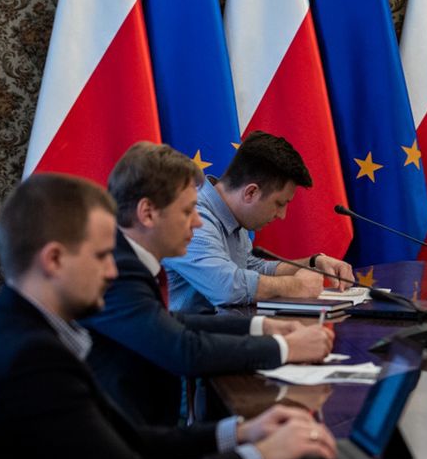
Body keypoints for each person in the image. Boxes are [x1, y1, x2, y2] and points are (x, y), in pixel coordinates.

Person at [0, 173, 336, 459]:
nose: (111, 271)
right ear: (53, 260)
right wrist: (259, 457)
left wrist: (241, 433)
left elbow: (130, 439)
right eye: (101, 256)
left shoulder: (23, 327)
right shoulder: (33, 358)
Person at [79, 143, 334, 426]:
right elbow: (184, 350)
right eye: (188, 210)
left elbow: (171, 320)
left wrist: (261, 327)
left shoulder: (128, 261)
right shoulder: (115, 270)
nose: (198, 222)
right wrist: (283, 347)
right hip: (128, 429)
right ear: (148, 213)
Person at [166, 132, 355, 314]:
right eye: (279, 204)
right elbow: (225, 287)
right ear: (251, 192)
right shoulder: (192, 214)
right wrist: (295, 286)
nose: (282, 215)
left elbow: (254, 269)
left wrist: (314, 262)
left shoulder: (234, 215)